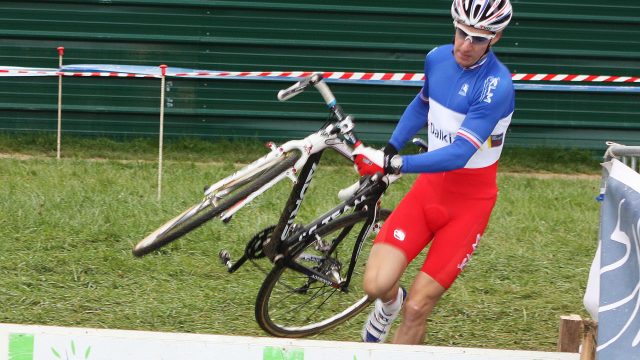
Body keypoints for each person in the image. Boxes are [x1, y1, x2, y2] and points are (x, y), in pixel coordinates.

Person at [352, 0, 515, 344]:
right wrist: (390, 148)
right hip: (429, 191)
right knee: (376, 285)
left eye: (478, 39)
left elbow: (458, 154)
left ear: (496, 38)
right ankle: (388, 306)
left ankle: (404, 319)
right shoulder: (437, 58)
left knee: (417, 309)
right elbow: (421, 104)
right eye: (461, 33)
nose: (466, 45)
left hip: (469, 205)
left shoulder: (496, 86)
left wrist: (398, 164)